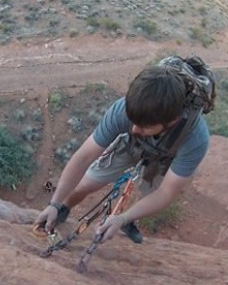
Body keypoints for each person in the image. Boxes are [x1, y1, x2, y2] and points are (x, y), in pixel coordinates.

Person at [33, 62, 210, 244]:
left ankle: (130, 219)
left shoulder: (194, 139)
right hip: (132, 145)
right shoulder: (122, 111)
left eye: (143, 126)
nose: (134, 128)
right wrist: (55, 202)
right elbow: (84, 156)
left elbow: (166, 193)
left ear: (172, 121)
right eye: (133, 121)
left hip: (167, 157)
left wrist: (122, 218)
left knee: (150, 193)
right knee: (88, 182)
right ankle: (64, 208)